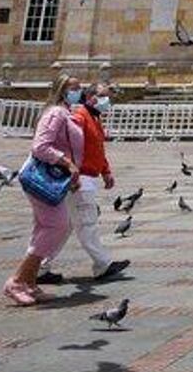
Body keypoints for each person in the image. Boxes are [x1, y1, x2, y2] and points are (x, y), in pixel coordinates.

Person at [4, 77, 85, 306]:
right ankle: (17, 281)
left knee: (46, 227)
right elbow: (40, 146)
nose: (78, 91)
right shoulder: (56, 113)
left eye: (79, 87)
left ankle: (30, 284)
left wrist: (72, 174)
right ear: (61, 90)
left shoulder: (66, 113)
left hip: (56, 178)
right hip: (42, 178)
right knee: (56, 225)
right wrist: (68, 164)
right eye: (73, 88)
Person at [38, 82, 129, 284]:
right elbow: (66, 144)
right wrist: (68, 169)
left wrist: (106, 171)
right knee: (87, 223)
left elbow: (96, 149)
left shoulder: (94, 118)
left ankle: (40, 268)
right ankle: (103, 264)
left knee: (67, 225)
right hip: (79, 178)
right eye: (104, 96)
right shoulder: (79, 117)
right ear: (91, 98)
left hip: (87, 176)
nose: (108, 100)